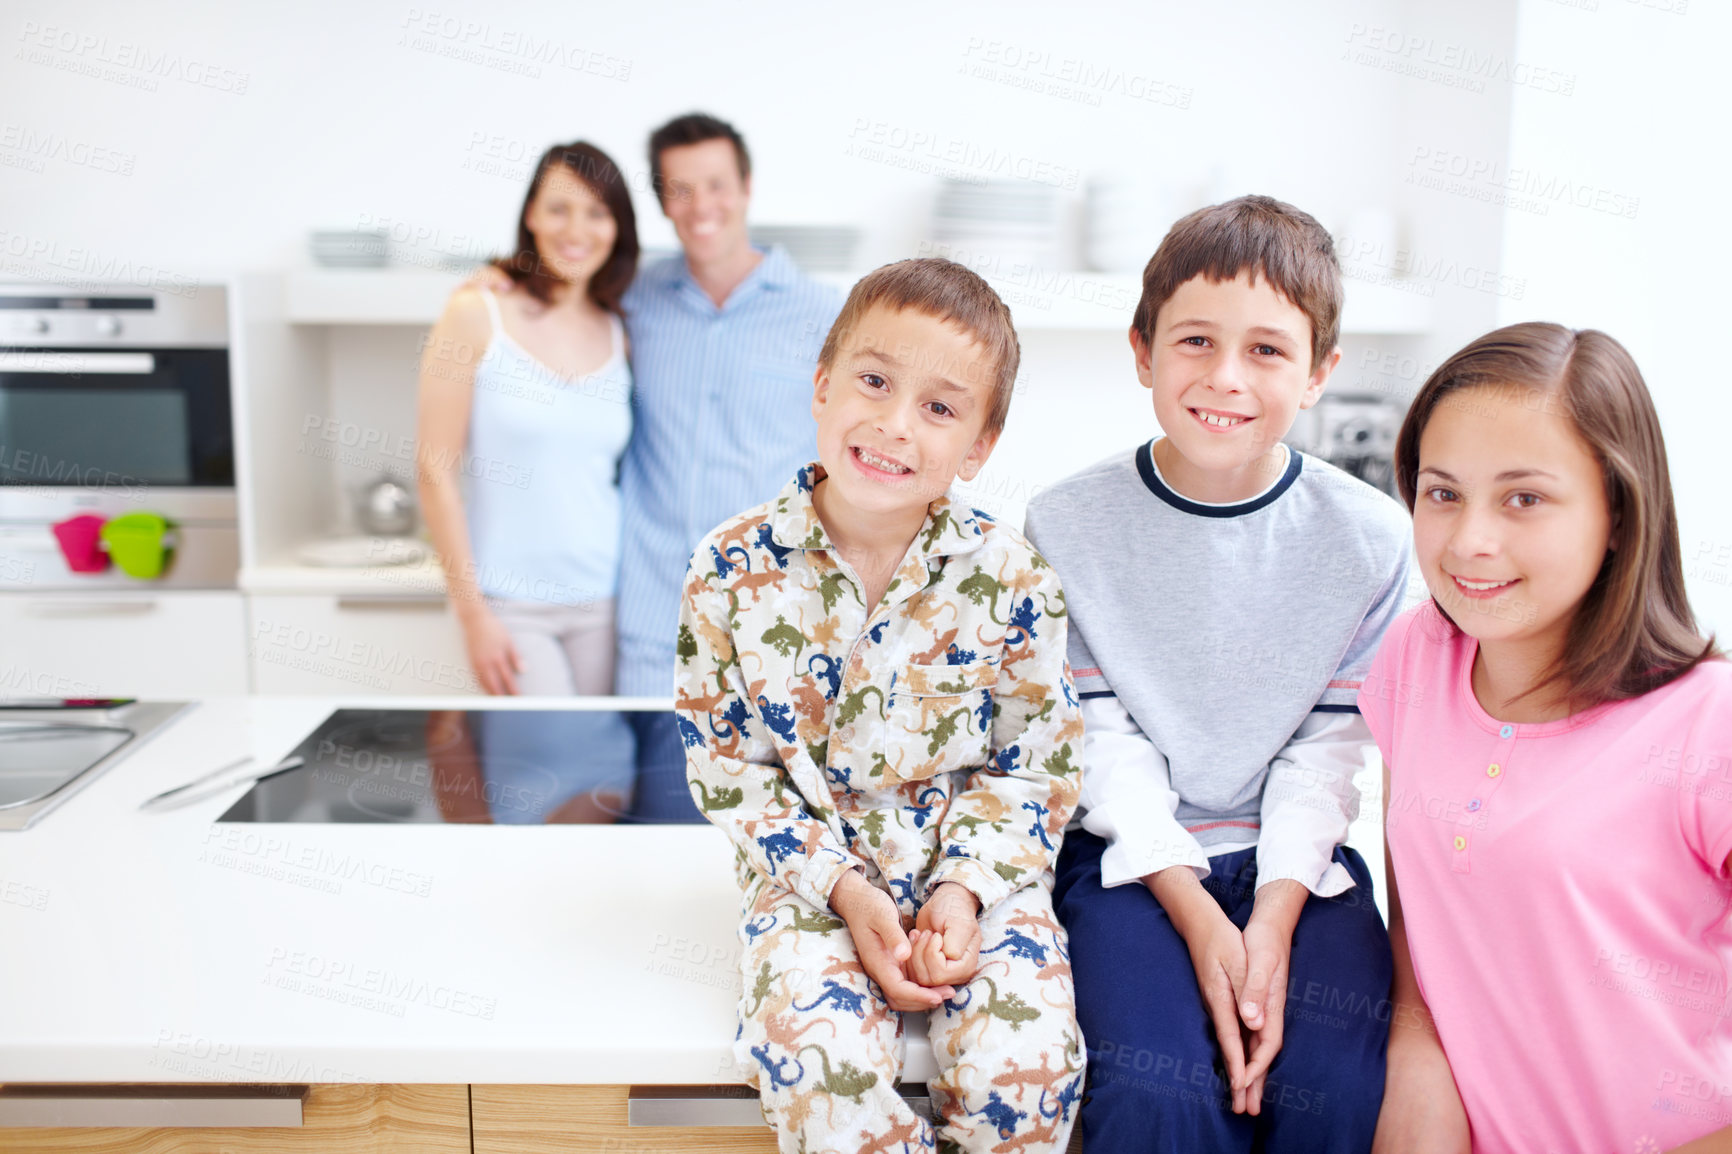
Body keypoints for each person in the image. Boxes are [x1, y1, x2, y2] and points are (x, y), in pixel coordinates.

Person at [1024, 195, 1413, 1151]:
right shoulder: (1064, 524)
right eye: (1195, 341)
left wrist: (1270, 920)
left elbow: (1326, 755)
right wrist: (1202, 923)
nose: (1225, 378)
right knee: (1153, 1097)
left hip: (1304, 868)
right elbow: (1100, 743)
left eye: (1268, 351)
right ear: (1142, 349)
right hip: (1127, 864)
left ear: (1321, 371)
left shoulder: (1370, 538)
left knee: (1333, 1088)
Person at [675, 259, 1085, 1151]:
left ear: (979, 444)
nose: (894, 425)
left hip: (980, 887)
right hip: (809, 888)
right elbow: (730, 775)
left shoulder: (1014, 579)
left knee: (1034, 1064)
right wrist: (848, 893)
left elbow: (1034, 768)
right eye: (873, 381)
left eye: (940, 408)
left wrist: (966, 893)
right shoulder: (726, 571)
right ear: (822, 385)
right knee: (817, 1066)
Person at [1363, 324, 1730, 1154]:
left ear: (1617, 513)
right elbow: (1419, 918)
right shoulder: (1415, 658)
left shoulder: (1710, 721)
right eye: (1442, 492)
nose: (1468, 542)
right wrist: (1416, 1061)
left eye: (1524, 498)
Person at [619, 112, 842, 821]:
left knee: (770, 829)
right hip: (648, 619)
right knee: (654, 823)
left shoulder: (822, 314)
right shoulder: (632, 302)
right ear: (660, 201)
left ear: (745, 187)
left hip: (771, 621)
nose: (700, 206)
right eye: (680, 190)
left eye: (715, 184)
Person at [417, 141, 638, 695]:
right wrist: (473, 617)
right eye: (559, 208)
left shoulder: (619, 330)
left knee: (601, 780)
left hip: (607, 603)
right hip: (510, 606)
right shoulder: (475, 312)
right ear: (532, 215)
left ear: (617, 227)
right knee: (542, 771)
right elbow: (433, 471)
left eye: (596, 211)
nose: (576, 229)